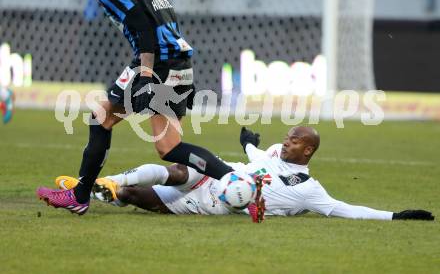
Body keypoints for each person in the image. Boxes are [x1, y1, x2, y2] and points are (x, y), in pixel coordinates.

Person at [36, 0, 235, 215]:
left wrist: (145, 72)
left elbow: (142, 27)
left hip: (159, 62)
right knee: (166, 146)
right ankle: (235, 178)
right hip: (178, 60)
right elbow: (163, 17)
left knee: (104, 120)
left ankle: (79, 196)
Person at [55, 126, 435, 222]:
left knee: (142, 200)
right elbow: (258, 154)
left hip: (217, 205)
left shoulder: (309, 190)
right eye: (286, 139)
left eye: (293, 141)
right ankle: (104, 184)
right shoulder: (271, 151)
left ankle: (113, 192)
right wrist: (248, 144)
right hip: (222, 176)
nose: (285, 144)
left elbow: (344, 208)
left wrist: (395, 215)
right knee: (179, 168)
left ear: (308, 150)